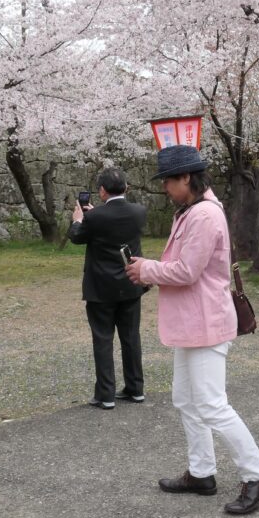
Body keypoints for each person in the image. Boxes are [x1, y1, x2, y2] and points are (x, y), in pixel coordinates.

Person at [124, 145, 259, 514]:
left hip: (206, 323)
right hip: (194, 322)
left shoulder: (204, 214)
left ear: (186, 178)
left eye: (168, 181)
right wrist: (151, 268)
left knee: (210, 404)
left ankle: (258, 475)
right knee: (187, 400)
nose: (165, 189)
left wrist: (146, 269)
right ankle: (201, 471)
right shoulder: (192, 210)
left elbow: (186, 271)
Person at [68, 168, 148, 410]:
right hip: (130, 283)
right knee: (131, 337)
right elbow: (114, 224)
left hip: (101, 287)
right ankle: (135, 388)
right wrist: (95, 216)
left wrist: (78, 220)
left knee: (103, 339)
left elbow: (77, 237)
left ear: (102, 191)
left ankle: (106, 395)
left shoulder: (95, 217)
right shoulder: (139, 212)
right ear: (126, 188)